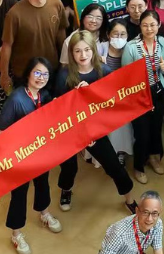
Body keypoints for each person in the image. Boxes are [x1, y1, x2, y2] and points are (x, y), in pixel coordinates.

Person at [54, 31, 136, 213]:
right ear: (71, 53)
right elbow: (58, 109)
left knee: (113, 165)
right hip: (71, 129)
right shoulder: (64, 75)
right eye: (77, 51)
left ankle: (129, 198)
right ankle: (66, 189)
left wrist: (93, 94)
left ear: (93, 50)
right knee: (68, 167)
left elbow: (113, 102)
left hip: (94, 129)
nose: (83, 55)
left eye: (86, 50)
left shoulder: (104, 71)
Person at [0, 57, 62, 254]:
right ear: (28, 73)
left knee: (43, 183)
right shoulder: (16, 99)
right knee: (19, 195)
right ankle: (16, 234)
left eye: (45, 74)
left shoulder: (45, 95)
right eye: (37, 72)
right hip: (20, 157)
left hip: (41, 154)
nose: (41, 77)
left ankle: (44, 213)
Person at [122, 10, 164, 184]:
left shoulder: (162, 42)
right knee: (141, 133)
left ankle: (153, 157)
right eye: (145, 25)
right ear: (140, 26)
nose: (149, 28)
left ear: (159, 25)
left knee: (156, 128)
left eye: (153, 25)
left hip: (158, 91)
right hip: (139, 96)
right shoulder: (131, 47)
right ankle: (138, 166)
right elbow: (126, 77)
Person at [0, 0, 68, 91]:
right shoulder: (15, 13)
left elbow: (61, 33)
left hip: (50, 69)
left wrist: (64, 63)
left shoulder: (56, 3)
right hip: (24, 73)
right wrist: (4, 74)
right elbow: (7, 45)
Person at [104, 19, 134, 161]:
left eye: (123, 34)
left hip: (125, 95)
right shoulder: (100, 49)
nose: (119, 38)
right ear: (108, 34)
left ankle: (121, 151)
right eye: (115, 34)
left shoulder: (131, 49)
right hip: (103, 96)